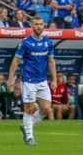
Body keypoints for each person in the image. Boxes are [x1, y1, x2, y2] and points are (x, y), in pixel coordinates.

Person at [7, 16, 57, 145]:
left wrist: (55, 79)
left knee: (46, 109)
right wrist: (10, 79)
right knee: (29, 109)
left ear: (43, 25)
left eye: (41, 24)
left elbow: (51, 62)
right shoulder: (25, 42)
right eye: (36, 24)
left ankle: (26, 126)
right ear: (32, 26)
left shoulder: (48, 42)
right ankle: (29, 137)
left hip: (42, 80)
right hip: (29, 80)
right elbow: (16, 61)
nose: (39, 26)